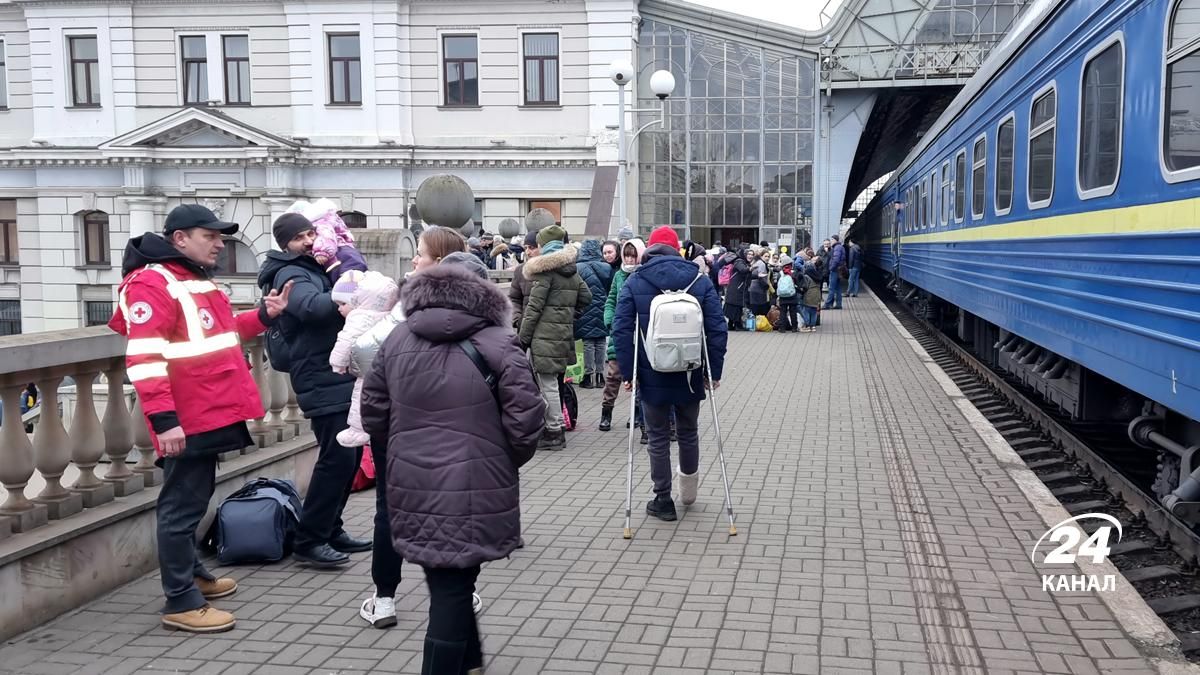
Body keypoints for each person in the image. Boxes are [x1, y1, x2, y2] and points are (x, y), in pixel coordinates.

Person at [109, 203, 293, 633]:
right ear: (179, 239)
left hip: (207, 411)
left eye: (220, 236)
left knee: (191, 502)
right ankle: (180, 600)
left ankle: (193, 576)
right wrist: (164, 420)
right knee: (179, 507)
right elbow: (144, 359)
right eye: (209, 235)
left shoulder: (191, 280)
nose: (219, 242)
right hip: (185, 416)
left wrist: (266, 315)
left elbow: (225, 331)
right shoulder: (154, 283)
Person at [361, 249, 544, 674]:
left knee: (449, 578)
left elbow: (374, 410)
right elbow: (527, 415)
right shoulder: (498, 342)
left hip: (412, 479)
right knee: (453, 584)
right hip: (475, 479)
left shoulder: (397, 339)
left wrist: (402, 450)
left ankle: (470, 660)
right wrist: (504, 460)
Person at [354, 230, 484, 631]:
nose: (413, 261)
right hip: (457, 426)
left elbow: (365, 359)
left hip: (401, 425)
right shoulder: (480, 311)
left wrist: (380, 429)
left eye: (421, 255)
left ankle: (385, 598)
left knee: (390, 510)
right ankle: (454, 592)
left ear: (440, 260)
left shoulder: (406, 307)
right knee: (452, 506)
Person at [257, 213, 371, 569]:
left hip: (332, 373)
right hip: (318, 374)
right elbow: (308, 307)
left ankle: (330, 529)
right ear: (285, 243)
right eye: (300, 237)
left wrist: (347, 276)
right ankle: (310, 540)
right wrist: (348, 301)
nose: (309, 241)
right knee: (336, 458)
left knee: (346, 457)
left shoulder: (314, 267)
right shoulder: (292, 272)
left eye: (311, 233)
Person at [611, 226, 727, 522]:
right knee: (688, 431)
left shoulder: (636, 280)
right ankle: (688, 491)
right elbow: (716, 328)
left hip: (652, 372)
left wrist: (628, 372)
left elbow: (622, 329)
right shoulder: (699, 280)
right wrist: (714, 370)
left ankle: (663, 499)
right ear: (677, 249)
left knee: (658, 436)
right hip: (691, 371)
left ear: (649, 249)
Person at [517, 225, 591, 451]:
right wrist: (567, 314)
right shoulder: (572, 270)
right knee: (553, 383)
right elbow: (586, 298)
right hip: (563, 335)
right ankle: (554, 427)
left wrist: (522, 339)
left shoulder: (545, 271)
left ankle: (555, 431)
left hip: (543, 336)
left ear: (543, 245)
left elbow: (533, 308)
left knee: (547, 384)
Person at [328, 271, 399, 447]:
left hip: (368, 367)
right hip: (388, 366)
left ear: (358, 301)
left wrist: (337, 362)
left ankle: (358, 430)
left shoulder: (359, 316)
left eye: (343, 303)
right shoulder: (389, 313)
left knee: (361, 395)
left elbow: (346, 339)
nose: (340, 309)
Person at [600, 238, 646, 434]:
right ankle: (606, 412)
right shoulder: (619, 275)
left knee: (638, 377)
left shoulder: (644, 275)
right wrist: (610, 320)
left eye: (633, 256)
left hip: (639, 334)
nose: (629, 259)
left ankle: (636, 412)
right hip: (620, 332)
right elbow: (611, 300)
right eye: (626, 255)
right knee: (613, 375)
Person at [285, 198, 368, 284]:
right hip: (342, 247)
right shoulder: (326, 217)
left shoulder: (319, 222)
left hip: (338, 250)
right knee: (352, 274)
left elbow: (326, 235)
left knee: (347, 276)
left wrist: (321, 251)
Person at [574, 240, 614, 390]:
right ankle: (600, 375)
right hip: (603, 307)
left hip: (585, 308)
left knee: (588, 343)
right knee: (601, 341)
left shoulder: (578, 268)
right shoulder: (606, 267)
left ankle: (588, 376)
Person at [508, 230, 539, 329]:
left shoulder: (553, 270)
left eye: (532, 248)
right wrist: (517, 319)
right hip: (525, 329)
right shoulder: (520, 270)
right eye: (526, 248)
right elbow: (514, 298)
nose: (528, 252)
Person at [722, 247, 751, 331]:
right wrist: (750, 268)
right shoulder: (739, 261)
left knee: (735, 306)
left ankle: (731, 324)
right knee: (735, 306)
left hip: (737, 287)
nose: (750, 256)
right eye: (748, 254)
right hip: (736, 288)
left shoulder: (742, 261)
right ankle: (737, 324)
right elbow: (743, 270)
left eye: (751, 254)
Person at [774, 255, 798, 333]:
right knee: (793, 312)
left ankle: (782, 328)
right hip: (792, 295)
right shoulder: (793, 272)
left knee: (783, 312)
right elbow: (796, 282)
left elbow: (777, 283)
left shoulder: (780, 273)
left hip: (783, 295)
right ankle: (794, 327)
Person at [824, 235, 846, 309]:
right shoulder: (839, 247)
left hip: (835, 270)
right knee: (838, 288)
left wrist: (831, 268)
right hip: (838, 270)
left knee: (831, 288)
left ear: (836, 240)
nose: (831, 241)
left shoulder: (837, 248)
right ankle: (838, 304)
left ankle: (827, 304)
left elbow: (836, 259)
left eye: (832, 239)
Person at [748, 249, 771, 318]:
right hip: (759, 288)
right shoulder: (762, 264)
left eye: (768, 256)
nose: (767, 258)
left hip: (754, 287)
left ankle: (754, 324)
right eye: (765, 256)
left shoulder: (756, 262)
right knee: (760, 308)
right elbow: (762, 277)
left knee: (754, 307)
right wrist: (766, 286)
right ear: (761, 256)